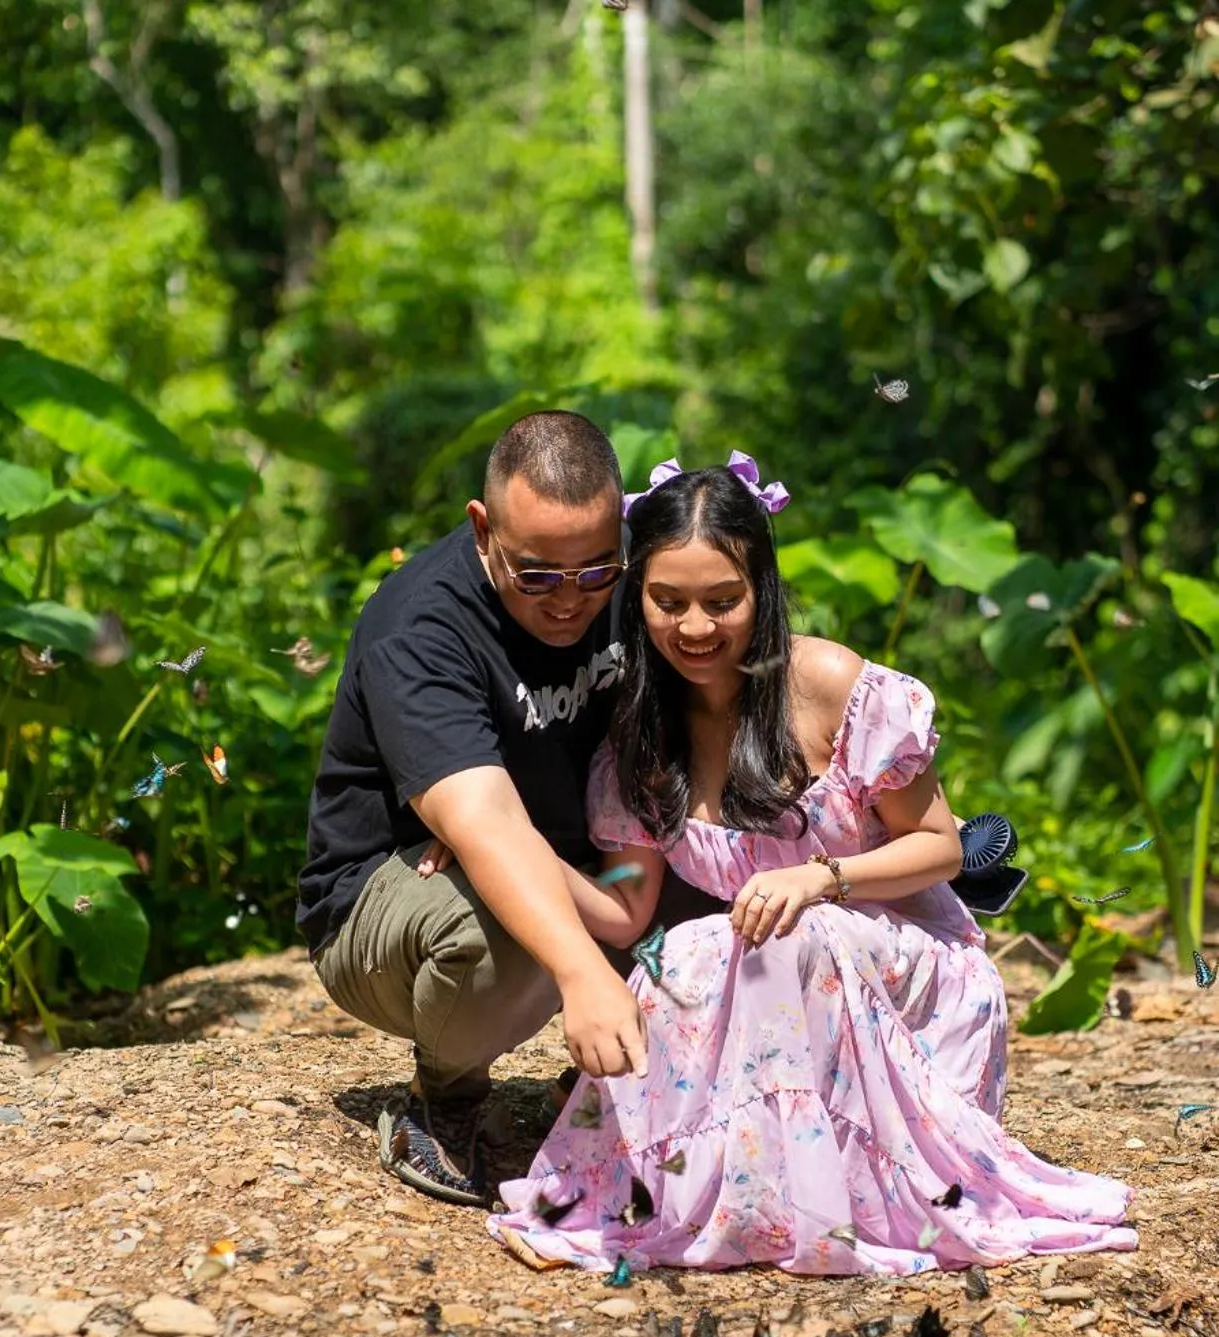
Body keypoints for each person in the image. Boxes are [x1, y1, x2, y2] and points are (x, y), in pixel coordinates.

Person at [489, 456, 1138, 1274]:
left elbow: (939, 846)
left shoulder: (831, 686)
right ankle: (657, 1200)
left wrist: (821, 878)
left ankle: (822, 1206)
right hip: (775, 984)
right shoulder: (640, 734)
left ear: (761, 589)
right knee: (680, 950)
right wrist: (504, 844)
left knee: (793, 936)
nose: (695, 627)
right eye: (668, 601)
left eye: (722, 600)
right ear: (637, 596)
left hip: (906, 977)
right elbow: (624, 914)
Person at [297, 411, 650, 1207]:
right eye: (538, 576)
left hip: (579, 859)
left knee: (737, 873)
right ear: (483, 529)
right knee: (506, 920)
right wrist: (583, 973)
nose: (570, 601)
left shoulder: (633, 576)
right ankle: (445, 1095)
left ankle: (598, 1087)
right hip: (393, 894)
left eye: (596, 571)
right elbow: (484, 824)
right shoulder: (419, 624)